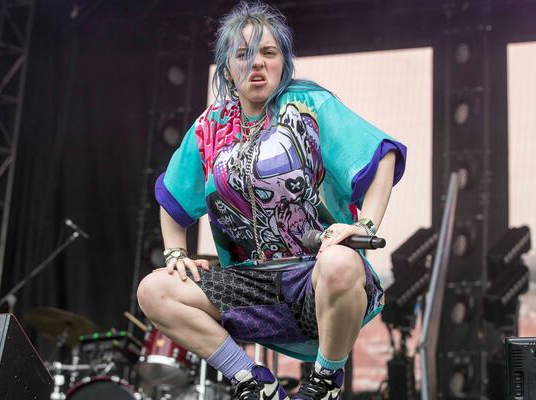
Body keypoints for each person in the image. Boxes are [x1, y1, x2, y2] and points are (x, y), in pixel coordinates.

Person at [137, 2, 406, 400]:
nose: (256, 64)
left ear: (284, 62)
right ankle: (253, 382)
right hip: (253, 284)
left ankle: (325, 380)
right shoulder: (209, 128)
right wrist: (176, 252)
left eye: (268, 52)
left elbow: (381, 154)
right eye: (243, 54)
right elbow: (172, 199)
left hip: (315, 278)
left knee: (340, 261)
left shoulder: (309, 106)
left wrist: (363, 226)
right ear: (226, 67)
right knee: (153, 291)